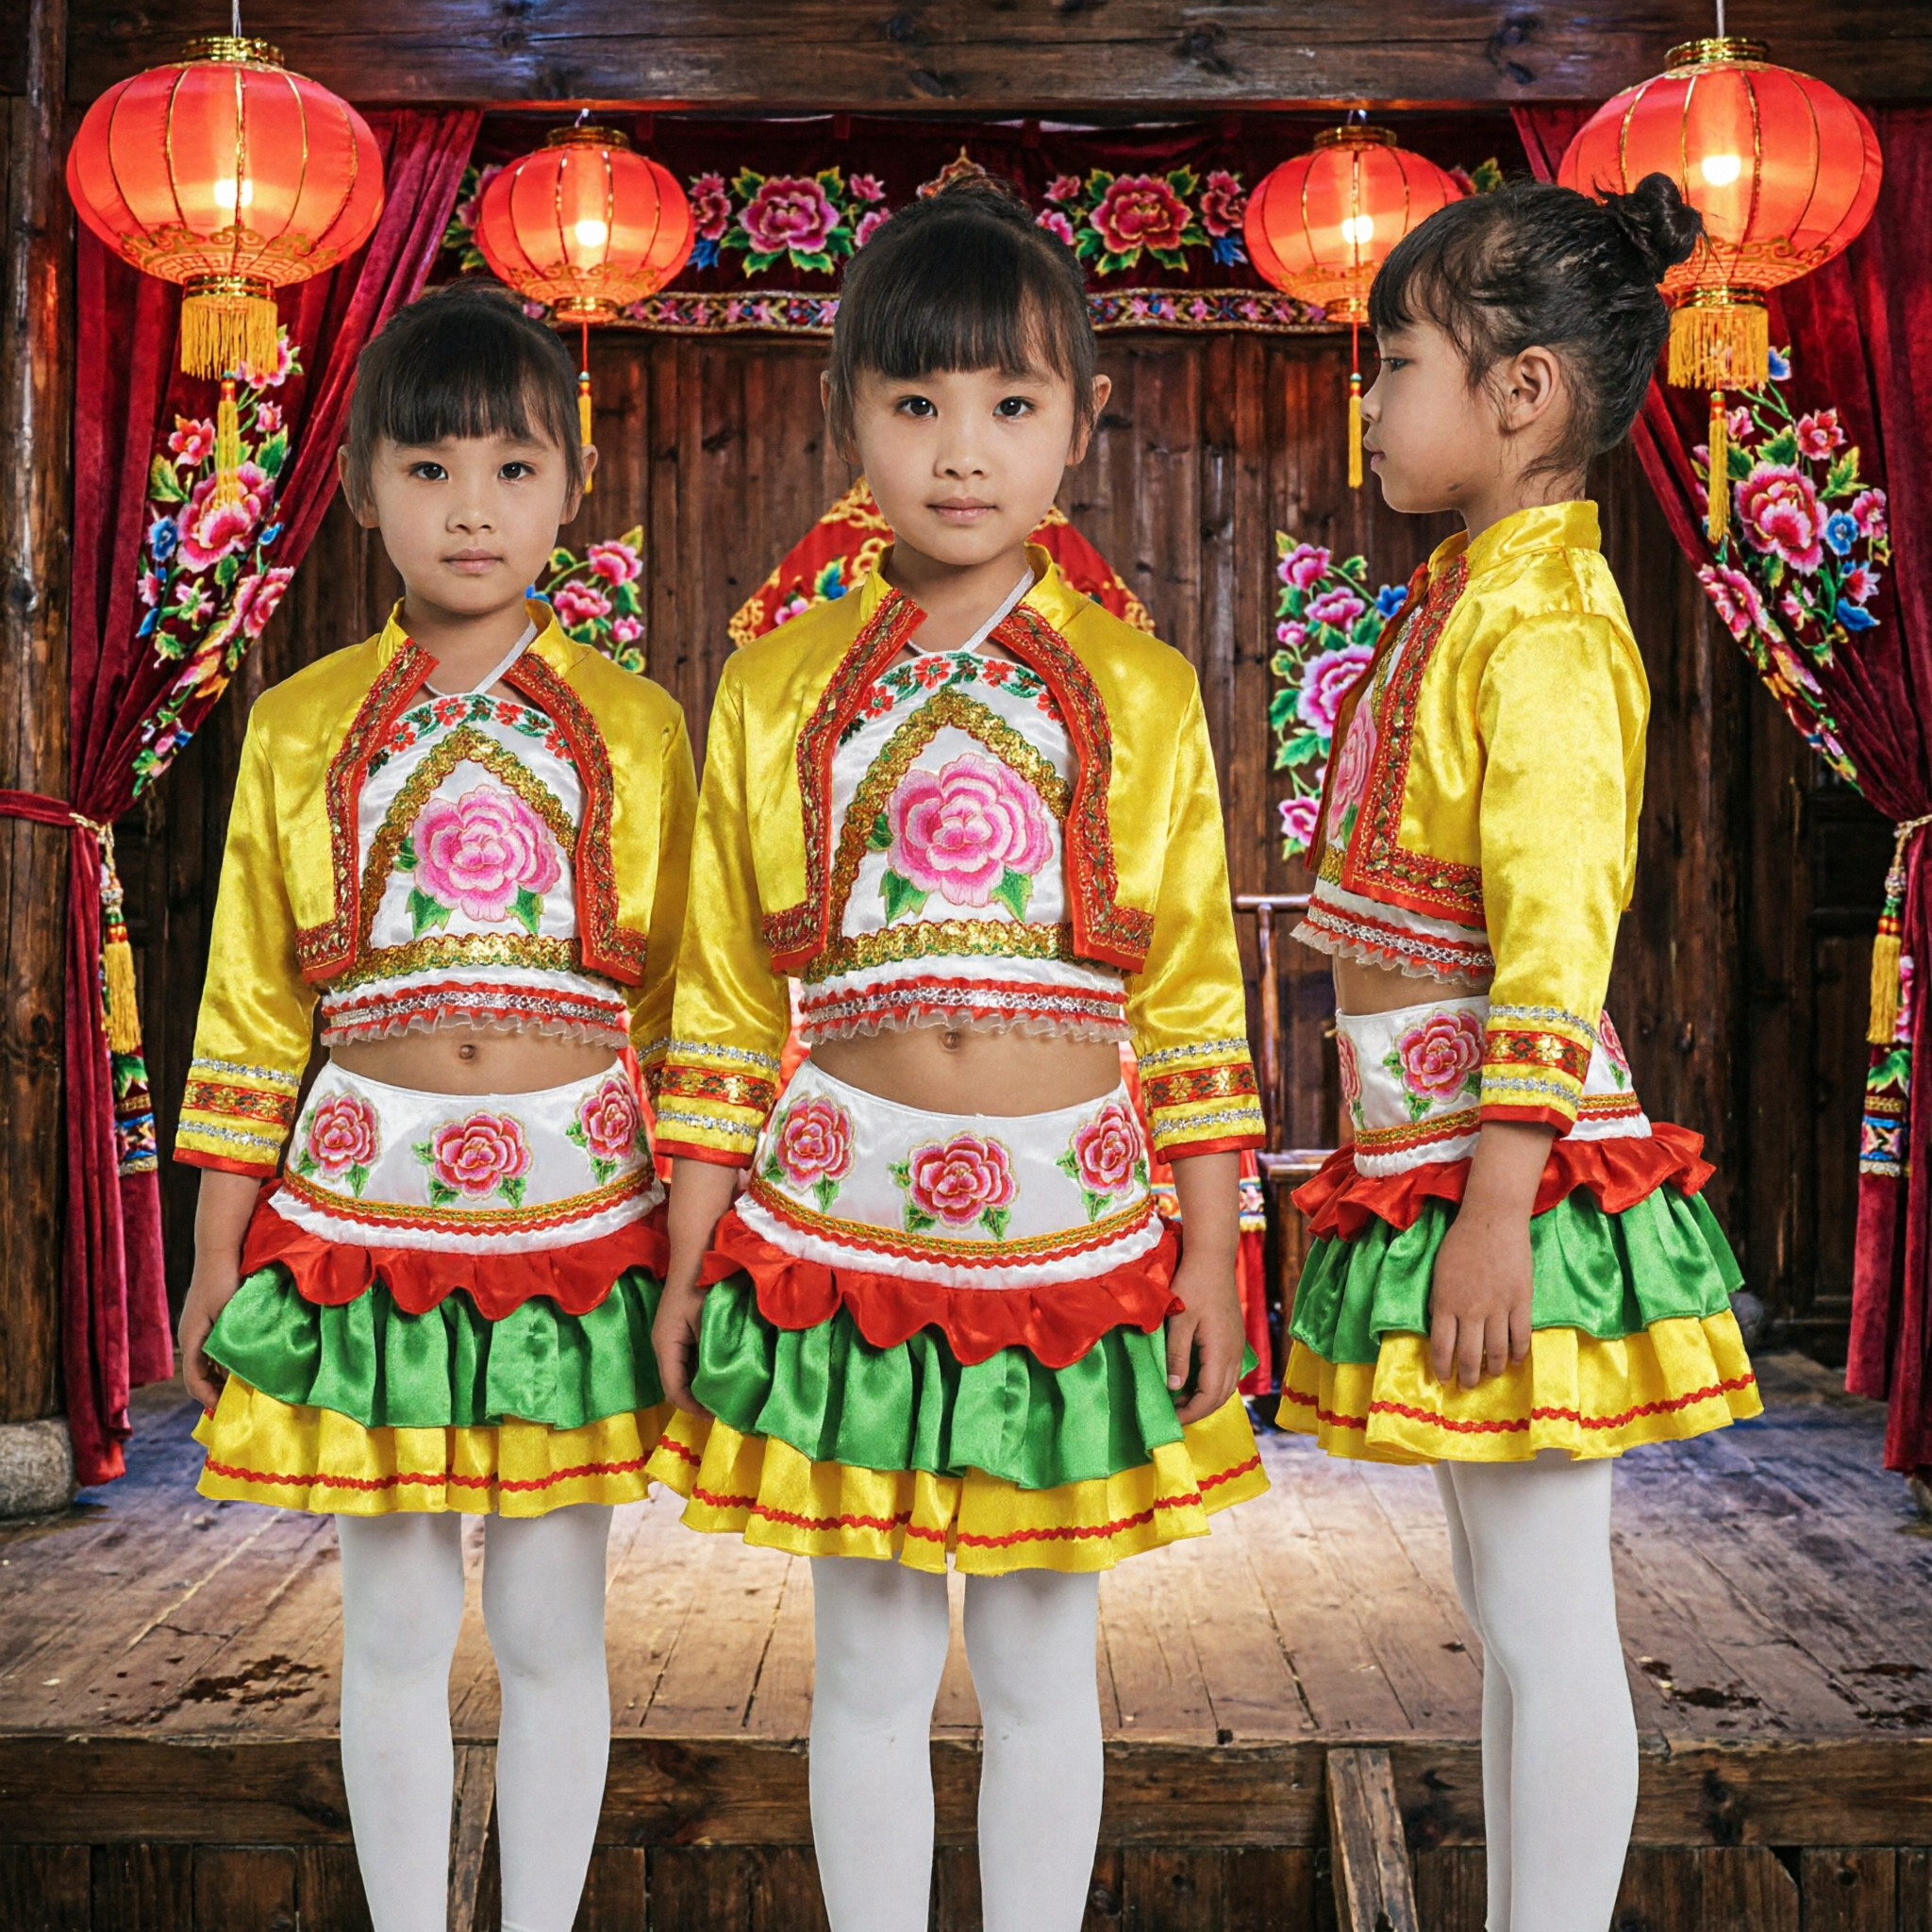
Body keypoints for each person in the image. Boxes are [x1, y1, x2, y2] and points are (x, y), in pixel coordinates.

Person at [645, 179, 1269, 1932]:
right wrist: (695, 1257)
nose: (963, 451)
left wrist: (1212, 1246)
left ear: (1081, 418)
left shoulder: (1140, 686)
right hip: (835, 1221)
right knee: (861, 1658)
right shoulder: (772, 686)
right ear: (850, 420)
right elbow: (716, 1004)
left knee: (1045, 1654)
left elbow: (1196, 995)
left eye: (1011, 405)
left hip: (1076, 1230)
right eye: (915, 405)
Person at [173, 282, 695, 1932]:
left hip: (582, 1213)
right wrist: (214, 1251)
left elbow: (692, 1013)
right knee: (389, 1627)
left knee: (554, 1627)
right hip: (356, 1214)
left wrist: (696, 1250)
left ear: (572, 483)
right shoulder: (296, 725)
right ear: (360, 490)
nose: (472, 506)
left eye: (512, 467)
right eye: (428, 467)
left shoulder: (640, 725)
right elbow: (253, 1008)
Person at [1281, 175, 1762, 1929]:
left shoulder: (1545, 624)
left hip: (1519, 1174)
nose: (1374, 402)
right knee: (1507, 1612)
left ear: (1523, 394)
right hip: (1445, 1161)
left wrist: (1497, 1203)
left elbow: (1558, 932)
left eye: (1396, 361)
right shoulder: (1465, 596)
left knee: (1553, 1620)